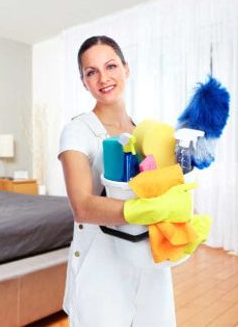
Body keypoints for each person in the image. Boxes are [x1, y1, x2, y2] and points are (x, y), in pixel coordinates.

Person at [58, 36, 177, 326]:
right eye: (91, 72)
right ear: (83, 81)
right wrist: (141, 210)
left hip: (149, 258)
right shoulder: (77, 131)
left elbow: (161, 189)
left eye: (110, 66)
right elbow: (82, 207)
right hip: (101, 267)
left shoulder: (145, 132)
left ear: (126, 69)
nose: (103, 78)